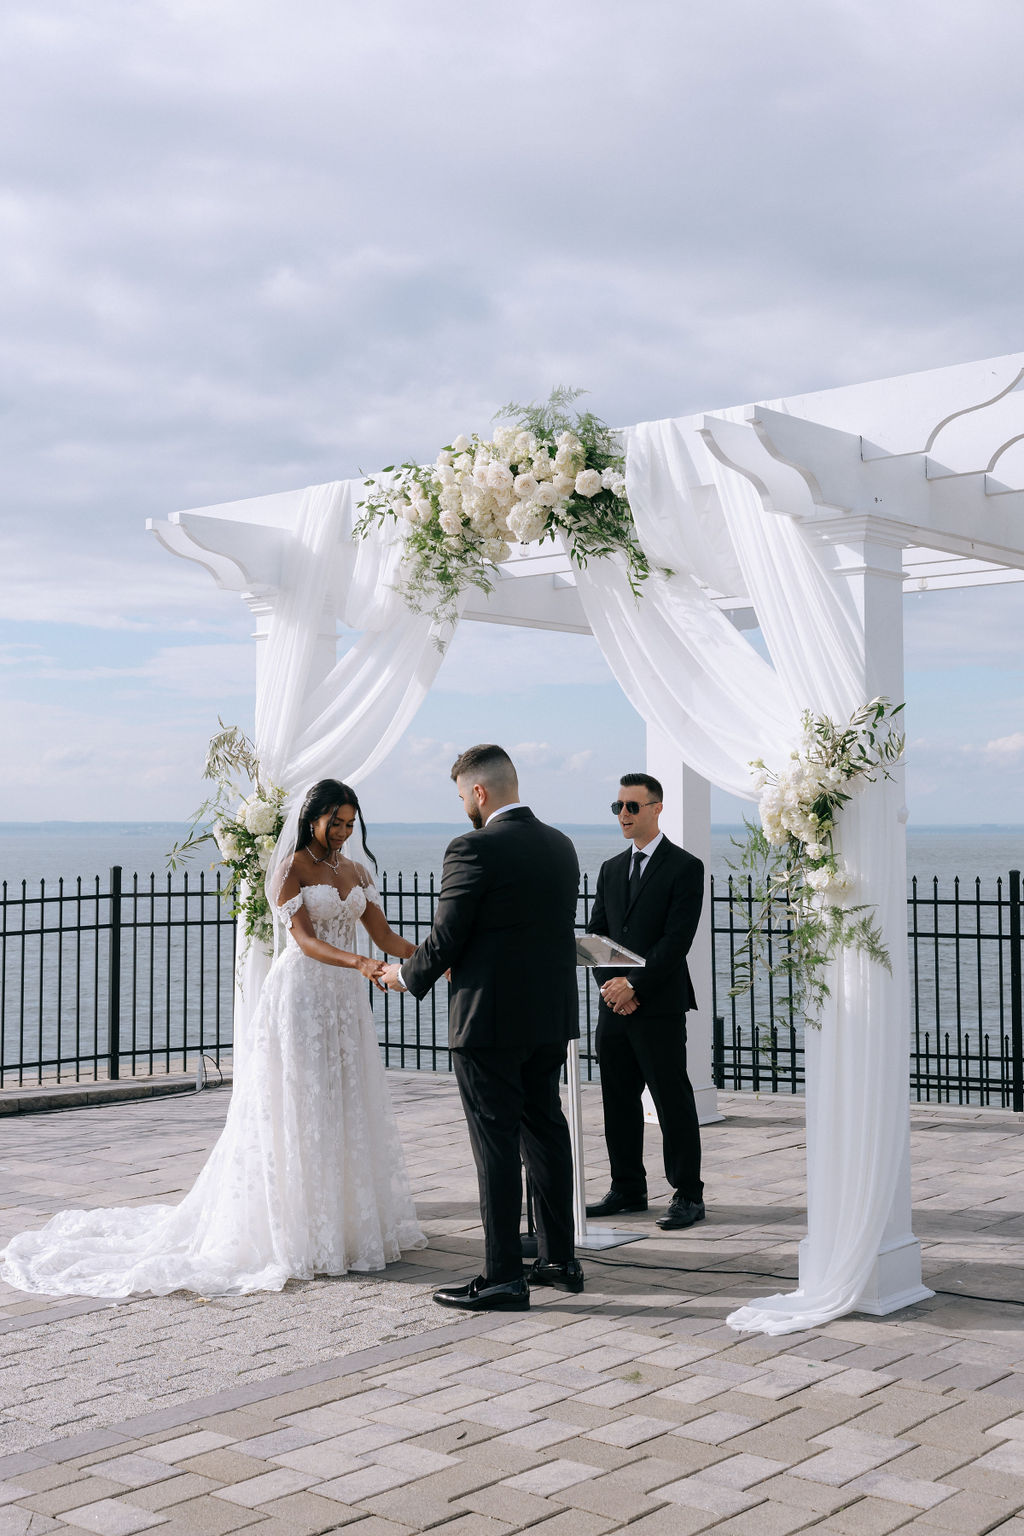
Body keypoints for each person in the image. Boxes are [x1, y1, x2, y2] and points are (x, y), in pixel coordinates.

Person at [0, 780, 426, 1298]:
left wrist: (432, 959)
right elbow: (308, 942)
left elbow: (384, 938)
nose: (342, 832)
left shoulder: (357, 871)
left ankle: (345, 1225)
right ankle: (299, 1230)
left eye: (350, 825)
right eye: (335, 822)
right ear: (312, 818)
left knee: (344, 1104)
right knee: (303, 1105)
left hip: (345, 1005)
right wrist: (361, 962)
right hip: (302, 998)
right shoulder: (290, 871)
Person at [381, 744, 581, 1312]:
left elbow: (448, 936)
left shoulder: (471, 846)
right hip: (548, 1018)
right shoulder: (561, 845)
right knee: (545, 1132)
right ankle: (559, 1259)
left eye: (461, 796)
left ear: (479, 793)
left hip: (488, 1021)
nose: (463, 807)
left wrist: (405, 976)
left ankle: (501, 1278)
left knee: (494, 1146)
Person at [585, 772, 706, 1231]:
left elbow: (677, 941)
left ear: (656, 808)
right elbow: (596, 935)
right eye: (618, 807)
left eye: (632, 807)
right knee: (618, 1100)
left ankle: (688, 1194)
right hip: (613, 1006)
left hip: (657, 1005)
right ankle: (628, 1188)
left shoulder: (684, 867)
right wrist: (613, 987)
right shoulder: (611, 868)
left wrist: (634, 987)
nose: (623, 815)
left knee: (672, 1099)